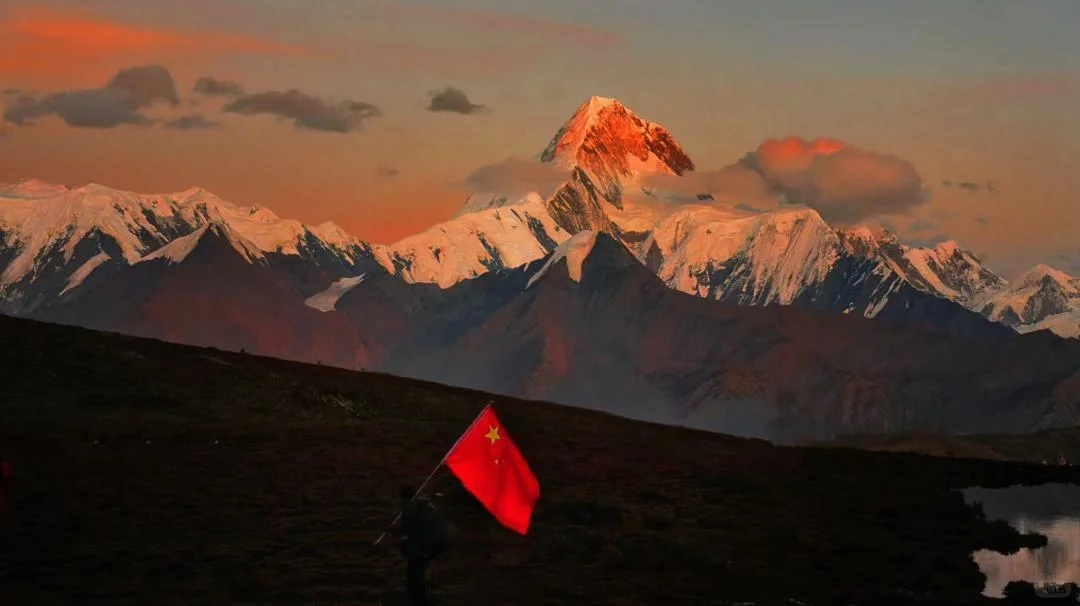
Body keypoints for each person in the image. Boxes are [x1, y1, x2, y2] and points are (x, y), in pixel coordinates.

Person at [391, 485, 448, 606]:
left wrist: (395, 531)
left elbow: (407, 530)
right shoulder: (426, 506)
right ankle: (418, 599)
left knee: (414, 574)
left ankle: (417, 600)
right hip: (436, 543)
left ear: (404, 498)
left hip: (425, 545)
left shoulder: (411, 508)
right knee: (417, 572)